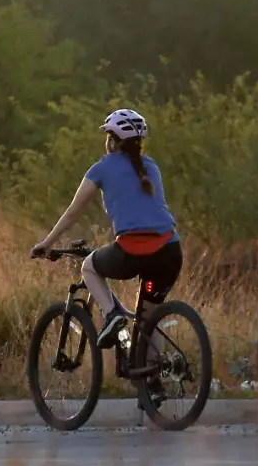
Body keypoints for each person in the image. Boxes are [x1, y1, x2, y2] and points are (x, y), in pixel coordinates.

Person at [30, 109, 182, 361]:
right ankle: (154, 383)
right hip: (169, 251)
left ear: (112, 140)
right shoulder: (151, 166)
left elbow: (72, 213)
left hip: (134, 251)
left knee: (89, 267)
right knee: (148, 319)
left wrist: (47, 243)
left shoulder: (102, 168)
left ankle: (112, 315)